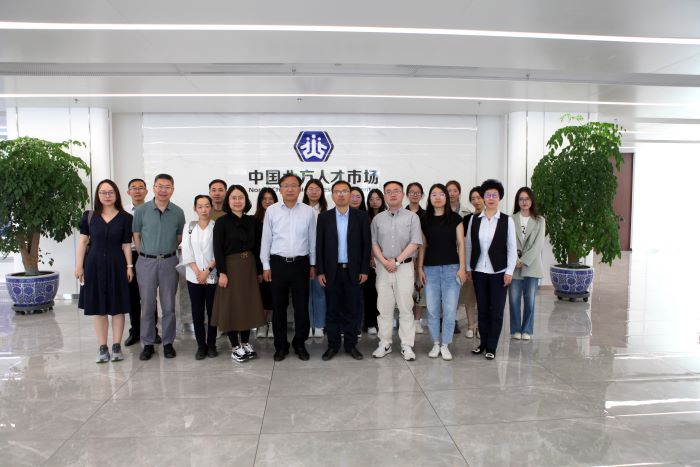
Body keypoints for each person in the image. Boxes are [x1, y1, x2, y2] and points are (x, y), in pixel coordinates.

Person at [75, 179, 133, 363]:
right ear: (97, 195)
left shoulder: (126, 218)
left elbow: (126, 245)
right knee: (98, 308)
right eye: (103, 192)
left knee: (118, 307)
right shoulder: (89, 216)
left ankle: (116, 346)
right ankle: (102, 347)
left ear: (116, 194)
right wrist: (79, 266)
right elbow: (83, 241)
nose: (107, 196)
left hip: (117, 264)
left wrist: (129, 267)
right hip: (94, 264)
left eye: (110, 192)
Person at [260, 173, 317, 362]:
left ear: (300, 189)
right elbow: (266, 240)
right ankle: (281, 345)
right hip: (278, 264)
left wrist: (313, 264)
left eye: (294, 185)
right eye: (286, 185)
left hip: (301, 263)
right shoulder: (272, 211)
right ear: (280, 189)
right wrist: (266, 265)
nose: (290, 189)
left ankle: (300, 344)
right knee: (278, 307)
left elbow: (312, 239)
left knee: (301, 307)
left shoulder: (308, 211)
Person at [316, 180, 371, 361]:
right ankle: (332, 346)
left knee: (353, 310)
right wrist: (320, 271)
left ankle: (351, 345)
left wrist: (364, 270)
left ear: (350, 194)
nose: (341, 194)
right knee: (332, 310)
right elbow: (319, 246)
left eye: (344, 191)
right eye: (337, 191)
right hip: (331, 272)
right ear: (332, 195)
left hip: (354, 272)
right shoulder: (324, 217)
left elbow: (366, 245)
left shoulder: (361, 216)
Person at [132, 173, 186, 361]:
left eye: (167, 187)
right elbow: (136, 235)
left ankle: (168, 343)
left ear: (172, 189)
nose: (163, 190)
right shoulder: (141, 210)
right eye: (160, 186)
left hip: (169, 262)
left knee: (169, 306)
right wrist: (144, 255)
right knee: (147, 305)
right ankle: (147, 343)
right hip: (146, 262)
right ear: (154, 188)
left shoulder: (178, 212)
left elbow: (179, 238)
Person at [212, 185, 266, 363]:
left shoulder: (252, 221)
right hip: (230, 268)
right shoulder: (221, 222)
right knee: (231, 306)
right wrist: (222, 272)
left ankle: (245, 342)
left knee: (247, 305)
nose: (237, 201)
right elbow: (218, 250)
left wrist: (259, 271)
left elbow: (257, 248)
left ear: (246, 200)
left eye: (240, 197)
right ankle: (235, 346)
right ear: (228, 201)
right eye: (233, 198)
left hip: (249, 267)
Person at [465, 179, 517, 361]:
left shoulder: (506, 220)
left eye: (495, 195)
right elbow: (469, 245)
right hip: (479, 271)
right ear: (483, 198)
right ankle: (483, 343)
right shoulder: (474, 219)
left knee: (496, 311)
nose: (491, 198)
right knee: (482, 309)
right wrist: (468, 267)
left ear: (499, 198)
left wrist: (509, 271)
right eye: (488, 195)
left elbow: (512, 248)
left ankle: (492, 346)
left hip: (499, 273)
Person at [371, 181, 422, 361]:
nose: (392, 194)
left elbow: (415, 242)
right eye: (388, 191)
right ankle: (384, 343)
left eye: (396, 191)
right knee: (384, 307)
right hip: (383, 267)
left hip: (404, 267)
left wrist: (397, 261)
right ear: (384, 195)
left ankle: (407, 345)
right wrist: (385, 262)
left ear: (402, 195)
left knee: (405, 307)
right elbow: (374, 244)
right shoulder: (377, 219)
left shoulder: (412, 218)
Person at [417, 184, 467, 361]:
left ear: (446, 197)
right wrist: (419, 268)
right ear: (429, 198)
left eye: (441, 194)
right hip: (430, 269)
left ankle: (445, 344)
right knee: (432, 309)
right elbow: (423, 246)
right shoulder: (424, 219)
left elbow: (461, 244)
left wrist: (462, 268)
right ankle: (435, 343)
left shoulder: (455, 218)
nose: (437, 197)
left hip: (452, 269)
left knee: (449, 310)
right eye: (434, 194)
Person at [124, 178, 160, 346]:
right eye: (134, 188)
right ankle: (135, 331)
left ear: (146, 191)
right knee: (132, 296)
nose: (137, 191)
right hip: (129, 256)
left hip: (148, 256)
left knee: (149, 296)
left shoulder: (152, 210)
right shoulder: (123, 212)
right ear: (128, 192)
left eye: (141, 188)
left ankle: (153, 331)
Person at [181, 195, 218, 360]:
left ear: (211, 207)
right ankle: (201, 346)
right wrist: (198, 272)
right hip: (194, 276)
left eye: (207, 206)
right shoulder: (189, 227)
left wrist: (207, 271)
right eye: (200, 206)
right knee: (197, 311)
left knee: (212, 311)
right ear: (195, 208)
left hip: (212, 275)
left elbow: (219, 251)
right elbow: (186, 251)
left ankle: (212, 344)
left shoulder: (216, 226)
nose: (204, 210)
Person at [509, 187, 546, 341]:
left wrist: (523, 261)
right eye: (521, 199)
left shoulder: (540, 220)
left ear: (532, 200)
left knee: (530, 300)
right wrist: (515, 261)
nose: (524, 202)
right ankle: (516, 330)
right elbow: (508, 243)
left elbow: (538, 245)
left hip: (532, 266)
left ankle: (527, 330)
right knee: (514, 300)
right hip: (514, 266)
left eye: (527, 199)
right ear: (517, 202)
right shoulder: (511, 219)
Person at [303, 179, 328, 339]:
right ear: (305, 191)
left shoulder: (327, 212)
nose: (313, 192)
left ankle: (319, 325)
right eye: (310, 188)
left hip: (321, 257)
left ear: (322, 192)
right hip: (302, 256)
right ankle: (308, 325)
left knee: (319, 292)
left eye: (317, 189)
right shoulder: (299, 210)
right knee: (304, 293)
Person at [460, 187, 484, 338]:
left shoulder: (491, 217)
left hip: (486, 265)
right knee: (469, 296)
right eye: (473, 199)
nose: (476, 201)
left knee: (483, 298)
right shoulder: (468, 219)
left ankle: (481, 326)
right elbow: (464, 243)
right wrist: (466, 265)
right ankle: (470, 325)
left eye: (478, 198)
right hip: (471, 262)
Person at [254, 187, 278, 339]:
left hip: (277, 264)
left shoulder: (280, 217)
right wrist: (259, 269)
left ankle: (274, 324)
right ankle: (262, 325)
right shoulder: (253, 220)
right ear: (260, 201)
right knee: (261, 297)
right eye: (264, 199)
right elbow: (253, 247)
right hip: (259, 265)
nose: (268, 201)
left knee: (275, 296)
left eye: (271, 199)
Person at [446, 180, 469, 334]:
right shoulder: (439, 210)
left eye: (455, 190)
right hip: (445, 254)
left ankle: (453, 319)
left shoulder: (467, 213)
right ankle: (446, 319)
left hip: (460, 254)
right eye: (449, 190)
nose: (452, 194)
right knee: (445, 290)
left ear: (459, 193)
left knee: (457, 289)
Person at [363, 189, 386, 335]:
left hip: (386, 260)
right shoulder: (364, 217)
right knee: (370, 293)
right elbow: (367, 240)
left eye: (377, 198)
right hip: (369, 261)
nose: (374, 202)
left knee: (383, 293)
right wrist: (371, 257)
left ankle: (382, 322)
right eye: (371, 199)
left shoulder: (388, 215)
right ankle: (370, 322)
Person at [406, 182, 427, 335]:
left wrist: (419, 258)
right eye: (412, 192)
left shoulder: (426, 215)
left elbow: (426, 240)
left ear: (422, 195)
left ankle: (417, 321)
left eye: (417, 192)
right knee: (406, 291)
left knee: (420, 290)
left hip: (422, 259)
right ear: (407, 195)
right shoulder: (401, 213)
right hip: (405, 259)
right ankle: (406, 321)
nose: (414, 194)